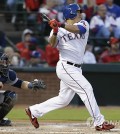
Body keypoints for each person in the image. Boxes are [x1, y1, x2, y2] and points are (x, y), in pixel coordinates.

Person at [25, 3, 115, 131]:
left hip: (76, 68)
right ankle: (99, 122)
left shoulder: (84, 24)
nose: (81, 13)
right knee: (87, 89)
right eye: (78, 12)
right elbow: (52, 44)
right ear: (71, 13)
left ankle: (33, 110)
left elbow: (79, 30)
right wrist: (55, 31)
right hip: (66, 66)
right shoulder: (58, 29)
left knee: (64, 100)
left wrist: (60, 25)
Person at [0, 52, 46, 126]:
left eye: (4, 62)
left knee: (12, 96)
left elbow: (20, 83)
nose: (3, 65)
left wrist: (31, 85)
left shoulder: (7, 74)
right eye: (1, 62)